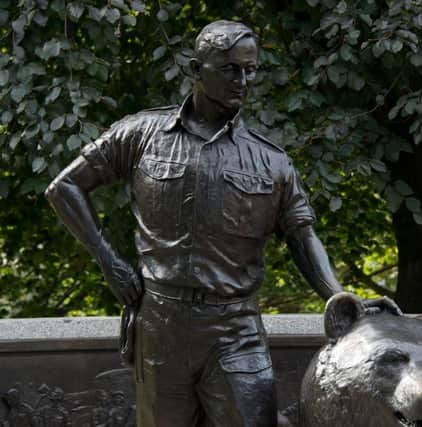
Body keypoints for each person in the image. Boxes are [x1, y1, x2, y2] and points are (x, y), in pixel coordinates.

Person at [46, 20, 398, 427]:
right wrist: (110, 262)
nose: (243, 81)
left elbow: (302, 237)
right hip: (160, 324)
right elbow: (65, 187)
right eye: (230, 69)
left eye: (250, 70)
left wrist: (342, 299)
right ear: (197, 70)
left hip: (236, 329)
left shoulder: (272, 162)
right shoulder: (142, 134)